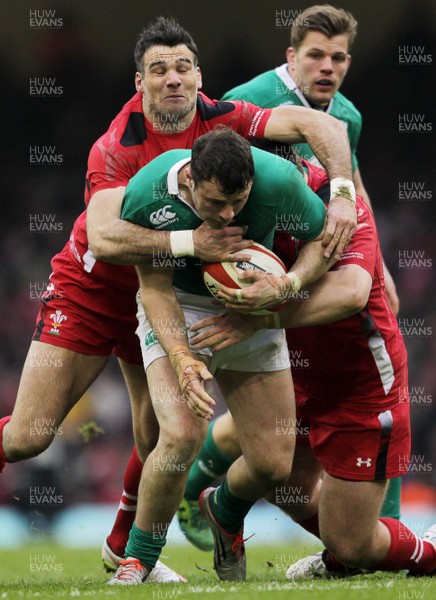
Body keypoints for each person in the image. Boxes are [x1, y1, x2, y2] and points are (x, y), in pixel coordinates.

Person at [0, 14, 355, 564]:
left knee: (160, 441)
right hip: (95, 290)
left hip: (165, 293)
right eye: (159, 69)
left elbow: (326, 128)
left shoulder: (224, 118)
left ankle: (126, 553)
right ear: (139, 83)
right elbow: (104, 235)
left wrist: (339, 192)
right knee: (28, 437)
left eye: (183, 68)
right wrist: (194, 243)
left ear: (198, 76)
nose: (173, 79)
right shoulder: (118, 144)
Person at [188, 159, 436, 578]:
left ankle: (416, 554)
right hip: (298, 375)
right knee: (287, 487)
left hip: (361, 384)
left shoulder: (342, 210)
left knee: (353, 542)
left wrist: (262, 315)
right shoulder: (240, 210)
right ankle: (223, 508)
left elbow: (351, 292)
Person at [107, 127, 334, 584]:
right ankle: (138, 560)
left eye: (239, 201)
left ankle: (223, 509)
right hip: (179, 308)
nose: (229, 214)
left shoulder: (278, 182)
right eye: (216, 204)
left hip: (254, 305)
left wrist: (286, 286)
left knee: (273, 465)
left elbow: (323, 241)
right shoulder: (147, 195)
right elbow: (152, 288)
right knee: (179, 437)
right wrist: (181, 357)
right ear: (190, 178)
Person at [212, 2, 402, 535]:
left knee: (293, 432)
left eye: (339, 58)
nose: (328, 68)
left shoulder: (348, 116)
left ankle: (371, 534)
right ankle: (192, 494)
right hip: (246, 267)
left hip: (303, 276)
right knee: (188, 407)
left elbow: (353, 190)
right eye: (316, 55)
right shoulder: (249, 102)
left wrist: (378, 264)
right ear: (290, 57)